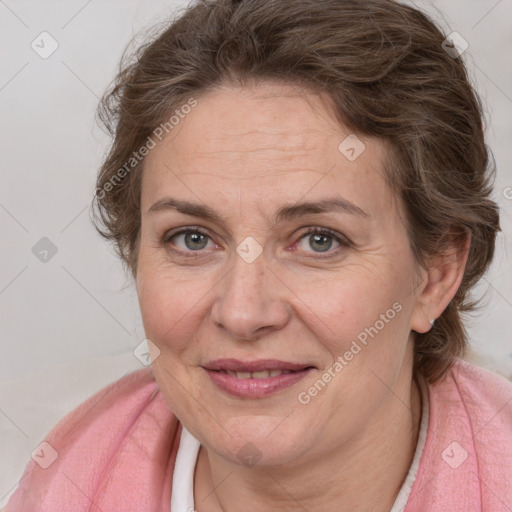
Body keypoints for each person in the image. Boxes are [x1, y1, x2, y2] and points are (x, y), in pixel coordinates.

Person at [6, 0, 512, 511]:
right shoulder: (31, 472)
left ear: (437, 274)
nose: (243, 313)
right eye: (193, 238)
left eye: (319, 240)